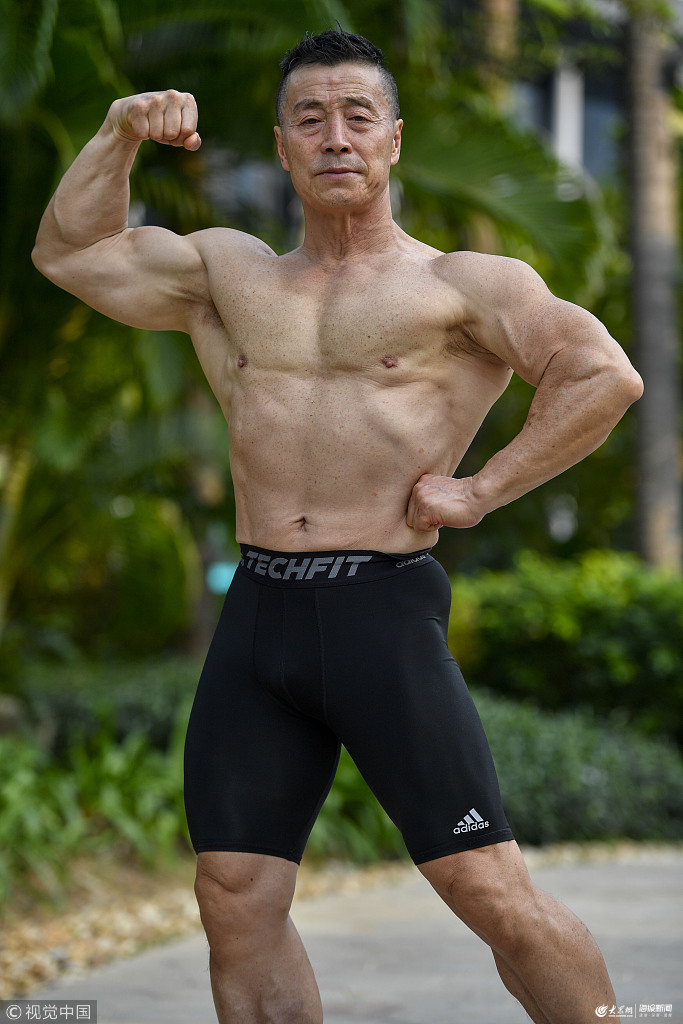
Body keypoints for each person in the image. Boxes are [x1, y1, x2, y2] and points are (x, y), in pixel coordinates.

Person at [33, 27, 642, 1024]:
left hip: (379, 613)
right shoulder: (226, 276)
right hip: (258, 615)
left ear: (393, 140)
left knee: (486, 889)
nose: (335, 137)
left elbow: (601, 373)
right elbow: (72, 252)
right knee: (234, 896)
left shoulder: (461, 286)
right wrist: (118, 132)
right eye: (308, 118)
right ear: (280, 146)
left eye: (358, 116)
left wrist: (482, 490)